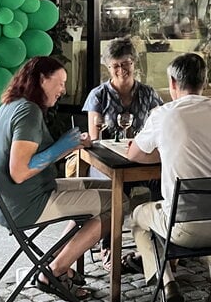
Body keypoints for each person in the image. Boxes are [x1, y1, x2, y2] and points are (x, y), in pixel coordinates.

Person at [126, 53, 211, 302]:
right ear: (204, 83)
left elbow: (134, 154)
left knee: (137, 217)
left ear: (173, 83)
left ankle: (167, 283)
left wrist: (167, 151)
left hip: (183, 228)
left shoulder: (163, 114)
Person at [0, 56, 112, 300]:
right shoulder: (28, 111)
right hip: (27, 204)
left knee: (111, 189)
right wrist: (60, 147)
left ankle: (55, 262)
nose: (63, 90)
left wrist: (70, 145)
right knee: (118, 205)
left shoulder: (12, 104)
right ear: (42, 79)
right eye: (60, 82)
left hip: (13, 199)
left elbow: (31, 159)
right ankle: (53, 271)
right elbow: (20, 171)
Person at [78, 37, 163, 272]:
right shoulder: (99, 95)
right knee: (116, 192)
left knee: (162, 183)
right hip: (108, 163)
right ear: (108, 67)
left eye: (125, 64)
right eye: (115, 66)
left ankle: (160, 245)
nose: (121, 70)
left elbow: (159, 128)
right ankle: (109, 248)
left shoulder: (148, 93)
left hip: (141, 160)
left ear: (134, 63)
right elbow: (94, 138)